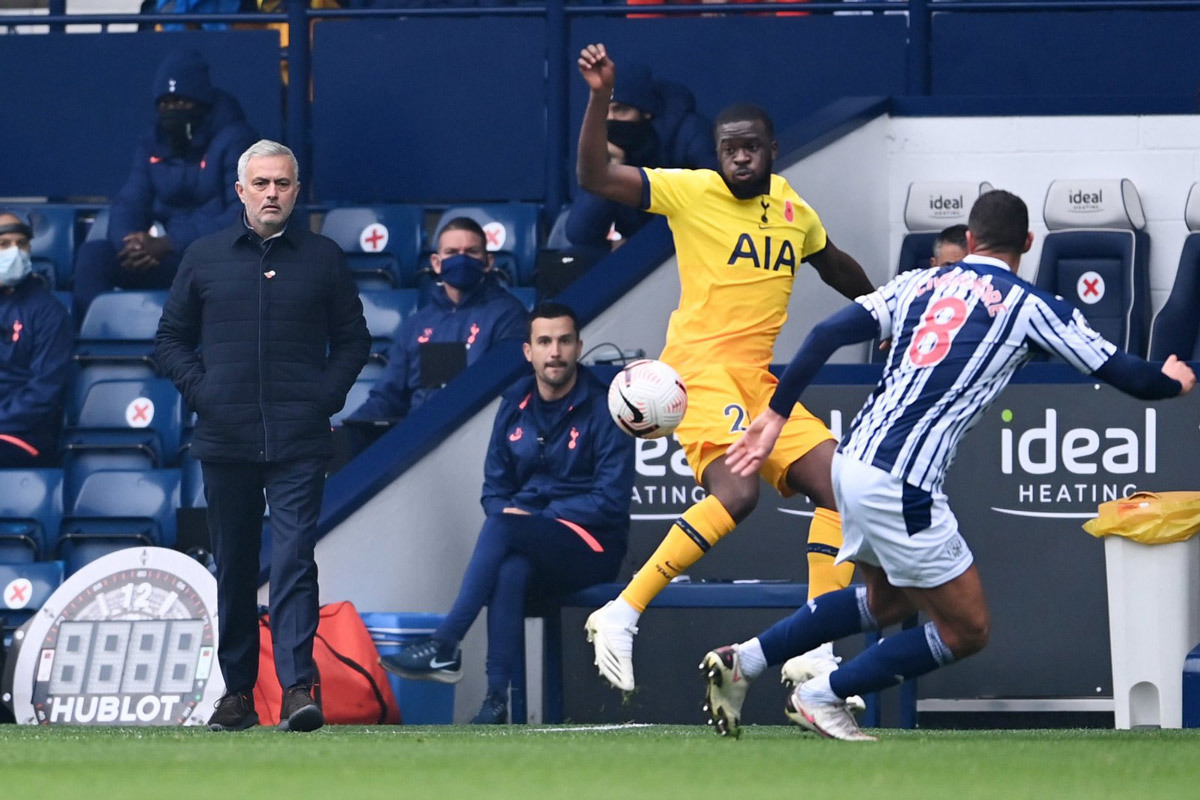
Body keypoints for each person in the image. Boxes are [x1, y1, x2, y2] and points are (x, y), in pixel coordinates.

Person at [701, 189, 1196, 740]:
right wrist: (1171, 381)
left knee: (886, 601)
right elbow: (1124, 372)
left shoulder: (919, 283)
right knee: (967, 629)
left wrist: (775, 415)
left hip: (851, 461)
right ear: (1028, 242)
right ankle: (822, 694)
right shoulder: (1030, 306)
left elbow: (825, 335)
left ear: (970, 239)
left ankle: (744, 660)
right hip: (901, 482)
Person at [575, 43, 877, 695]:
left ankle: (816, 650)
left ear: (772, 149)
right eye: (729, 148)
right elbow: (596, 176)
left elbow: (834, 265)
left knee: (844, 492)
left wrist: (888, 308)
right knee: (737, 494)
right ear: (716, 154)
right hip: (700, 374)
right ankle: (622, 613)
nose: (739, 157)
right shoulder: (692, 192)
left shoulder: (794, 210)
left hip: (761, 384)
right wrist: (600, 96)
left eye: (751, 147)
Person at [155, 140, 370, 733]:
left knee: (295, 558)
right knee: (234, 566)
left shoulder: (323, 258)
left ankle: (298, 689)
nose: (271, 193)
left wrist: (323, 398)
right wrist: (206, 394)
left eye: (282, 183)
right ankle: (238, 695)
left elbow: (354, 340)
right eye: (261, 183)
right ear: (241, 191)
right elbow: (169, 340)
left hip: (300, 437)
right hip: (225, 438)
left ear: (296, 192)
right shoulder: (203, 256)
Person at [379, 302, 635, 724]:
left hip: (592, 548)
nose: (555, 352)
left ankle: (446, 643)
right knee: (511, 567)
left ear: (579, 347)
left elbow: (610, 501)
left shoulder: (606, 405)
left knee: (504, 526)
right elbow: (494, 491)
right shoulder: (514, 402)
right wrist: (523, 520)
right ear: (528, 351)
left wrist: (536, 517)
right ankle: (496, 699)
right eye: (545, 342)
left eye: (564, 341)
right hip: (530, 544)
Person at [72, 48, 259, 319]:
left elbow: (243, 216)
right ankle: (88, 339)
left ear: (201, 103)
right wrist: (132, 245)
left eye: (181, 101)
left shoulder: (237, 140)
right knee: (94, 256)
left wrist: (170, 243)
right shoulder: (154, 141)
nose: (172, 109)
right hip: (165, 255)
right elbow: (129, 202)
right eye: (165, 103)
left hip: (216, 258)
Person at [343, 217, 527, 440]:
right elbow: (388, 397)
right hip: (418, 439)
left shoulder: (508, 315)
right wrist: (345, 433)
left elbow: (507, 391)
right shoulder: (418, 324)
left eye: (471, 252)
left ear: (488, 261)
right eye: (452, 252)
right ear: (437, 263)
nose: (461, 259)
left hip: (478, 436)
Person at [566, 62, 717, 252]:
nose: (611, 119)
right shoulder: (607, 147)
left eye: (621, 110)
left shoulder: (689, 133)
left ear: (646, 112)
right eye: (605, 110)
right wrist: (611, 167)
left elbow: (717, 199)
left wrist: (641, 247)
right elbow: (580, 234)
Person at [0, 212, 73, 468]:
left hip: (23, 434)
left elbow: (44, 392)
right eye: (4, 244)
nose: (15, 252)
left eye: (21, 244)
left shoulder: (49, 312)